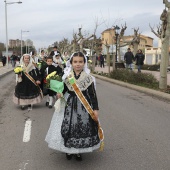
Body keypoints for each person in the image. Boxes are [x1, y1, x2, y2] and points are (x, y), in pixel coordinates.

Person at [45, 52, 101, 161]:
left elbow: (93, 95)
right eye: (75, 62)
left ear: (84, 63)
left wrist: (95, 109)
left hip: (84, 106)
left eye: (80, 62)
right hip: (69, 105)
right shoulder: (67, 76)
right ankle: (68, 150)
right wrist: (59, 93)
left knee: (80, 129)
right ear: (71, 63)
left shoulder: (88, 78)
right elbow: (64, 89)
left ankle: (78, 152)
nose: (78, 64)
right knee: (69, 128)